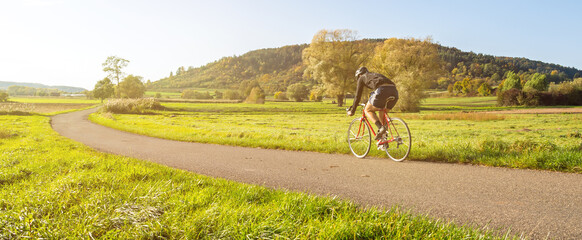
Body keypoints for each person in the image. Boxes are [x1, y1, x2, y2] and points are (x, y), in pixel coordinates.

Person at [346, 67, 399, 140]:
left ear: (359, 75)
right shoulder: (375, 75)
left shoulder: (362, 77)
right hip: (394, 91)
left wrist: (352, 111)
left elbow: (357, 96)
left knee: (367, 110)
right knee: (382, 111)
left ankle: (380, 128)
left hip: (382, 90)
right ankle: (384, 141)